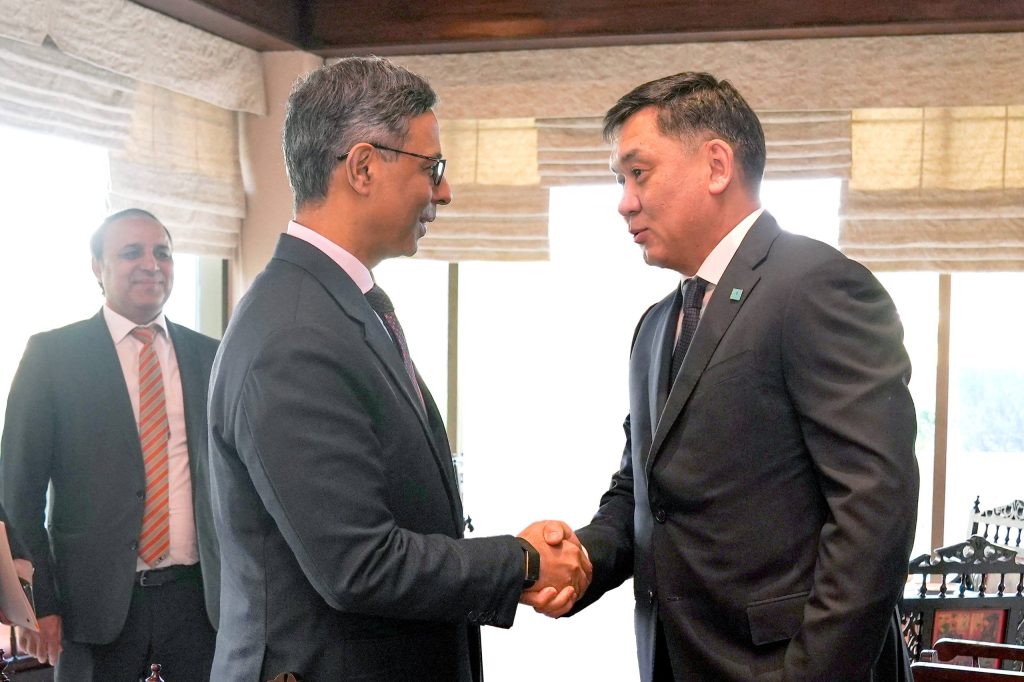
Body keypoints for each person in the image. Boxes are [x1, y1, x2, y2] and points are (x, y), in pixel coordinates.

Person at [206, 56, 590, 682]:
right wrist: (520, 563)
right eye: (430, 167)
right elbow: (358, 565)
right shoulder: (296, 333)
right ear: (362, 167)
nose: (445, 191)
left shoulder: (334, 306)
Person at [525, 72, 920, 681]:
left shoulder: (818, 285)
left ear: (716, 165)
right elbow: (642, 494)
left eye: (638, 172)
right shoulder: (656, 325)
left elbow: (875, 512)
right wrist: (580, 561)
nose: (624, 201)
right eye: (620, 180)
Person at [0, 209, 220, 681]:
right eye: (131, 253)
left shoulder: (210, 355)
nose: (151, 264)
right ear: (97, 267)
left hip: (199, 601)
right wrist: (39, 603)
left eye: (162, 253)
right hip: (90, 607)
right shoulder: (51, 357)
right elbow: (18, 492)